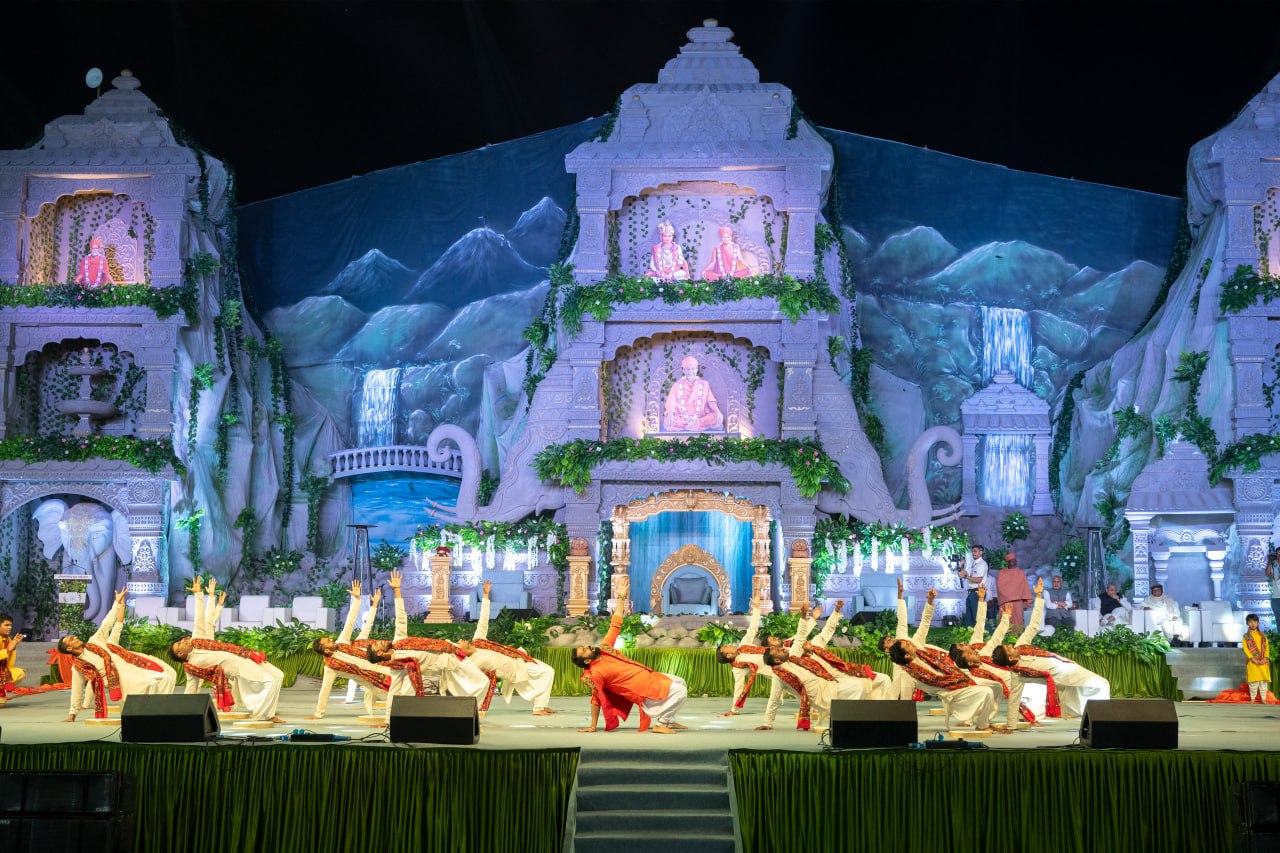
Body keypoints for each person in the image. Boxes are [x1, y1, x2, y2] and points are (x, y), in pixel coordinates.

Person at [364, 572, 490, 706]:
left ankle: (469, 712)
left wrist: (397, 590)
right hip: (449, 666)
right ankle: (470, 712)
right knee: (479, 685)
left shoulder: (398, 641)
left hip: (452, 652)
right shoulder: (397, 666)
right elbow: (393, 692)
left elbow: (401, 618)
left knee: (482, 683)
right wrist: (389, 717)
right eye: (378, 645)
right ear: (380, 653)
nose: (379, 641)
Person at [169, 579, 285, 723]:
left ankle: (266, 711)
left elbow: (202, 619)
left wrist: (200, 595)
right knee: (270, 681)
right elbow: (191, 689)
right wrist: (183, 711)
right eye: (180, 644)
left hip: (244, 655)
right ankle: (263, 715)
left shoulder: (198, 639)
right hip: (240, 668)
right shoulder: (191, 668)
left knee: (278, 675)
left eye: (181, 640)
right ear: (181, 654)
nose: (183, 640)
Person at [62, 588, 177, 721]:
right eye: (72, 639)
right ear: (69, 648)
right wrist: (72, 713)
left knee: (166, 676)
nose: (75, 637)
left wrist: (117, 604)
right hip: (114, 679)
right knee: (150, 683)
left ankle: (158, 712)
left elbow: (107, 624)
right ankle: (149, 715)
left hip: (126, 666)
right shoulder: (77, 666)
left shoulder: (94, 641)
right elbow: (77, 689)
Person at [574, 601, 687, 734]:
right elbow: (596, 699)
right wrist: (593, 726)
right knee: (680, 691)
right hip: (645, 690)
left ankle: (669, 720)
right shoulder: (595, 673)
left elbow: (615, 624)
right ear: (587, 660)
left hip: (651, 677)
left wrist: (621, 598)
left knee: (681, 682)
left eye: (584, 647)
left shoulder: (604, 648)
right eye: (584, 650)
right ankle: (661, 724)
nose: (587, 646)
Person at [992, 588, 1110, 717]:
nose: (1011, 645)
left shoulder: (1020, 646)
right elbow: (1014, 699)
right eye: (1008, 648)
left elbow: (1033, 626)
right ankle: (1104, 718)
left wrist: (1038, 596)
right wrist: (1011, 725)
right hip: (1066, 675)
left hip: (1068, 666)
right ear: (1009, 658)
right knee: (1102, 683)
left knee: (1078, 694)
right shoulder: (1018, 672)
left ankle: (1093, 715)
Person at [457, 581, 557, 716]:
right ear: (461, 651)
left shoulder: (478, 641)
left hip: (518, 658)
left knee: (548, 671)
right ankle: (538, 708)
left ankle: (541, 705)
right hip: (514, 670)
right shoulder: (472, 663)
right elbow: (471, 680)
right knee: (548, 672)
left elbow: (483, 620)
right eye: (458, 643)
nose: (461, 640)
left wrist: (485, 596)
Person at [308, 580, 391, 720]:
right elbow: (325, 690)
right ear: (326, 651)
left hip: (383, 666)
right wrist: (318, 714)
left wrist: (357, 599)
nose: (332, 639)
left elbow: (350, 621)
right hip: (372, 682)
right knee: (395, 699)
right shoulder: (330, 668)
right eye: (328, 641)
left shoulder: (342, 641)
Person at [887, 635, 1000, 734]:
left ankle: (984, 718)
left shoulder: (922, 653)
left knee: (996, 687)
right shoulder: (907, 674)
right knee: (987, 692)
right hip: (950, 692)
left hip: (959, 678)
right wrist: (904, 726)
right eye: (908, 645)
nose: (911, 643)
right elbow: (906, 702)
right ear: (907, 655)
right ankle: (982, 726)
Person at [758, 617, 840, 732]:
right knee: (857, 691)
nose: (783, 649)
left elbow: (800, 637)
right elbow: (774, 699)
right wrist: (767, 723)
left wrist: (804, 617)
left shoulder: (792, 656)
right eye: (778, 650)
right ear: (776, 660)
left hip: (831, 684)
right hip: (820, 697)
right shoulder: (778, 675)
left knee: (860, 686)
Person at [801, 599, 891, 700]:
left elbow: (828, 629)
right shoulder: (801, 661)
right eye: (804, 642)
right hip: (832, 681)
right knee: (858, 687)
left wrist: (836, 610)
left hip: (846, 671)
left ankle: (879, 708)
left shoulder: (815, 644)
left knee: (884, 679)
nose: (807, 642)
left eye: (806, 640)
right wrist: (808, 618)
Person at [877, 579, 940, 700]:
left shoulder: (910, 640)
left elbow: (908, 618)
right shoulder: (898, 663)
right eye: (889, 642)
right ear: (887, 650)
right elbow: (895, 689)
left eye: (891, 638)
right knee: (903, 680)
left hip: (937, 670)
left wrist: (929, 601)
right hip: (927, 680)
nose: (893, 640)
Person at [715, 595, 768, 715]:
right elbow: (738, 687)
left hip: (779, 655)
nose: (729, 645)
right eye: (727, 647)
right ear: (729, 656)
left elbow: (752, 629)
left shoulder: (743, 645)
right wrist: (734, 709)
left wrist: (756, 608)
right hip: (775, 669)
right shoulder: (738, 667)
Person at [662, 355, 723, 432]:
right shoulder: (677, 385)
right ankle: (694, 425)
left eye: (693, 369)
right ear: (683, 370)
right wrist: (670, 413)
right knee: (668, 420)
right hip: (683, 418)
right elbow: (671, 402)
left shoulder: (704, 384)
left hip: (700, 417)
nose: (691, 372)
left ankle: (696, 424)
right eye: (688, 369)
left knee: (715, 417)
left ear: (697, 370)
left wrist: (717, 412)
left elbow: (710, 401)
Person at [996, 552, 1034, 627]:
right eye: (1011, 561)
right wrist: (1011, 596)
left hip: (1018, 602)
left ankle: (1018, 634)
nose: (1013, 562)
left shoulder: (1020, 573)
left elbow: (1024, 586)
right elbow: (1000, 587)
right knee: (1005, 621)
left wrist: (1026, 599)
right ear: (1008, 562)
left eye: (1014, 560)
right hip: (1006, 602)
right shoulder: (1001, 573)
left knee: (1019, 621)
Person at [1244, 613, 1271, 704]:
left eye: (1255, 621)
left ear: (1258, 623)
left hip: (1263, 662)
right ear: (1247, 623)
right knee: (1253, 682)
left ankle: (1263, 699)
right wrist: (1252, 659)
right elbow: (1245, 649)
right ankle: (1252, 699)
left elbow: (1267, 647)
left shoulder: (1263, 635)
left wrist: (1265, 658)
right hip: (1252, 662)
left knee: (1263, 682)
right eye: (1250, 622)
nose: (1253, 624)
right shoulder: (1245, 637)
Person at [959, 545, 988, 627]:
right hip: (971, 592)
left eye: (975, 551)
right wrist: (962, 565)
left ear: (981, 552)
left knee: (977, 616)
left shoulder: (982, 564)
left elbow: (979, 580)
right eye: (972, 551)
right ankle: (969, 632)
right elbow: (965, 574)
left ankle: (981, 632)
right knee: (969, 617)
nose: (973, 553)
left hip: (978, 592)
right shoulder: (973, 563)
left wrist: (966, 576)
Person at [0, 612, 26, 705]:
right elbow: (6, 651)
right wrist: (8, 649)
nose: (10, 627)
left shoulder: (8, 639)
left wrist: (14, 645)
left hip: (2, 670)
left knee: (20, 673)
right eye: (6, 625)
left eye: (10, 625)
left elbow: (9, 662)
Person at [1266, 548, 1280, 627]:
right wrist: (1269, 561)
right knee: (1278, 619)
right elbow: (1268, 574)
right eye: (1277, 554)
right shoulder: (1274, 564)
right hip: (1276, 596)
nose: (1279, 555)